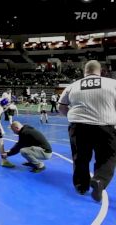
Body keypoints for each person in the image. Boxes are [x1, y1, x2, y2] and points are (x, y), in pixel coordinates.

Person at [58, 60, 116, 202]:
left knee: (80, 158)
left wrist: (73, 117)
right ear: (100, 71)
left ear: (84, 72)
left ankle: (81, 186)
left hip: (78, 127)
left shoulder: (72, 86)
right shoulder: (112, 83)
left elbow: (61, 107)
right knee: (107, 157)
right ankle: (99, 181)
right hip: (105, 126)